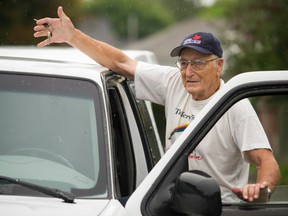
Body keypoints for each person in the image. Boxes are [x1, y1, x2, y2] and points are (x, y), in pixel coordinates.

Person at [34, 6, 280, 203]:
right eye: (184, 63)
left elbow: (266, 161)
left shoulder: (235, 105)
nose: (189, 71)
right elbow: (121, 63)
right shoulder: (174, 82)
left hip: (220, 209)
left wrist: (262, 189)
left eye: (198, 63)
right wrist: (72, 36)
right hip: (172, 203)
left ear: (219, 65)